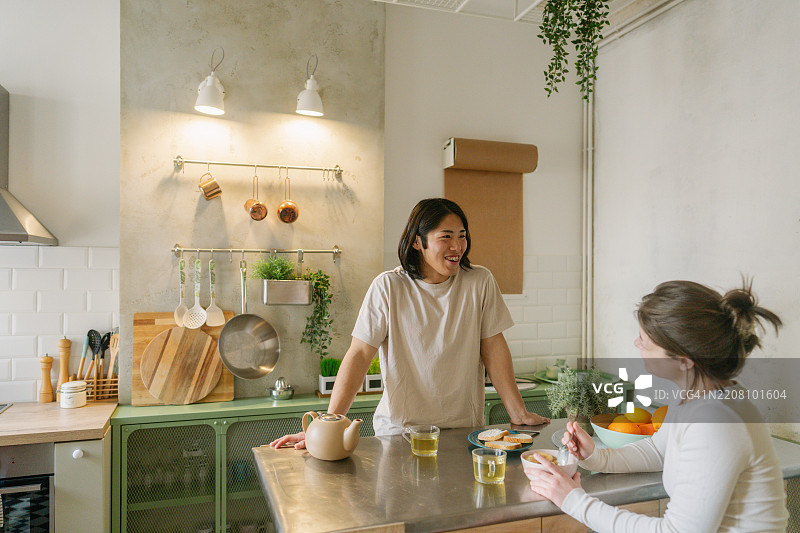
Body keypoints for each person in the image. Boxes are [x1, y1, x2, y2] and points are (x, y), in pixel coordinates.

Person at [271, 198, 548, 448]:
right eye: (446, 237)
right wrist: (327, 425)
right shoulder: (389, 287)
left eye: (462, 236)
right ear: (418, 242)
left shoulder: (479, 282)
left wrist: (518, 413)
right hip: (400, 435)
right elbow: (359, 355)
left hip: (463, 432)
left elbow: (493, 348)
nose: (457, 246)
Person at [525, 280, 789, 532]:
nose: (636, 344)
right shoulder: (698, 395)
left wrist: (572, 500)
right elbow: (658, 450)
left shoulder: (716, 422)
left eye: (645, 341)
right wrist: (596, 456)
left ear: (684, 360)